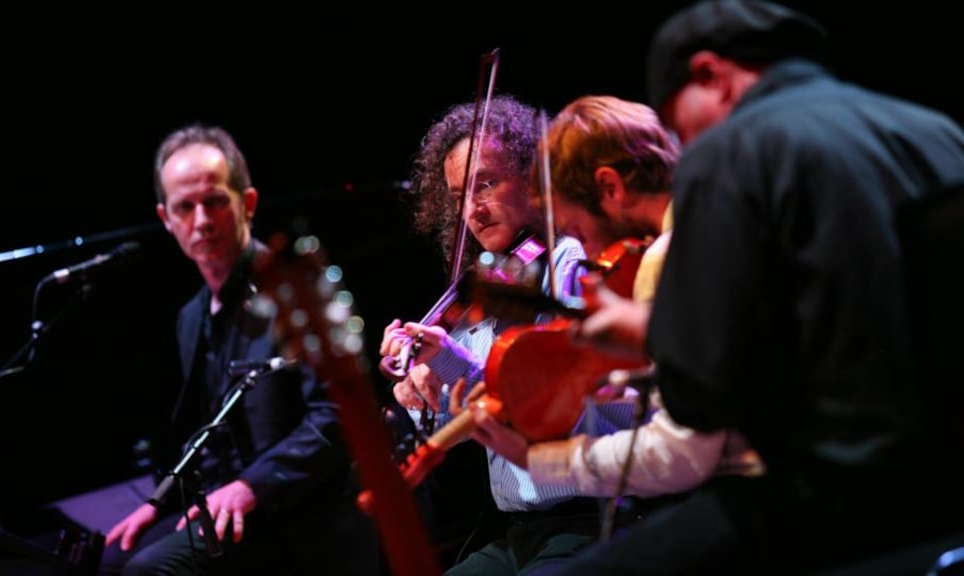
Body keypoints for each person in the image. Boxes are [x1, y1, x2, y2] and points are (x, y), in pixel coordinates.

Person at [545, 2, 964, 574]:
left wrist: (653, 337)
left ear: (711, 76)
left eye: (678, 120)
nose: (681, 143)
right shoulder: (934, 128)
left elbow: (709, 393)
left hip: (842, 495)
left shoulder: (730, 151)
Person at [460, 94, 763, 510]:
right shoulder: (733, 212)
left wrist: (537, 459)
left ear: (610, 187)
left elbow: (683, 454)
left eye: (578, 232)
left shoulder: (666, 259)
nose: (594, 256)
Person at [101, 124, 379, 576]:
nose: (202, 220)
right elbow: (207, 433)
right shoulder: (191, 317)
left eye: (214, 201)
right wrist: (159, 503)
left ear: (247, 202)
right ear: (166, 219)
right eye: (184, 208)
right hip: (232, 504)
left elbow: (336, 415)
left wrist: (250, 485)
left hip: (297, 506)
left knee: (147, 572)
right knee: (109, 560)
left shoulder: (292, 289)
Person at [380, 94, 620, 575]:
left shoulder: (572, 267)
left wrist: (446, 359)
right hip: (519, 532)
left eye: (485, 184)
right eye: (457, 197)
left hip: (594, 519)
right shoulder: (486, 293)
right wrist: (416, 393)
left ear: (534, 178)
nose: (472, 210)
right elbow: (459, 431)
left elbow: (545, 403)